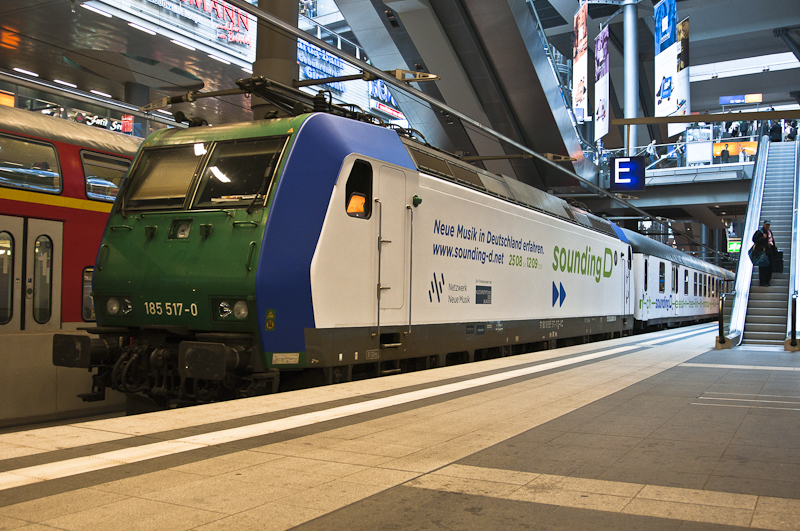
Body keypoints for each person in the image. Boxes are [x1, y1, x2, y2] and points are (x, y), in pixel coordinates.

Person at [753, 220, 776, 286]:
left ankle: (767, 281)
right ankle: (762, 282)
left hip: (770, 251)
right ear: (763, 224)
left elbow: (772, 241)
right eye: (766, 225)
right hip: (763, 252)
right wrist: (762, 238)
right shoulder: (760, 232)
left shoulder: (769, 232)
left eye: (768, 225)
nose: (767, 226)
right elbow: (754, 239)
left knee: (770, 267)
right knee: (763, 267)